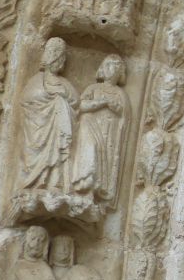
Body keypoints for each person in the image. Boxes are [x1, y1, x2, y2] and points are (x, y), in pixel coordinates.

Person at [19, 38, 79, 192]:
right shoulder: (37, 80)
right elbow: (27, 98)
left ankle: (55, 182)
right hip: (39, 127)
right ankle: (38, 181)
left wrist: (63, 95)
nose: (62, 63)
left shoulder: (64, 82)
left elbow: (76, 101)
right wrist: (50, 95)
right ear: (52, 59)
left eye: (63, 59)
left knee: (58, 153)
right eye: (59, 58)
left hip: (58, 129)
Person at [72, 55, 129, 203]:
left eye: (117, 66)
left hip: (110, 132)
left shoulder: (120, 93)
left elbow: (124, 113)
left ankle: (98, 191)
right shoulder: (93, 88)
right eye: (109, 65)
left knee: (106, 159)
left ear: (121, 73)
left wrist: (114, 106)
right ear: (102, 69)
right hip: (91, 126)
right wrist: (102, 102)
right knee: (92, 148)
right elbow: (81, 106)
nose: (113, 69)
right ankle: (85, 181)